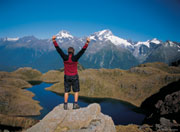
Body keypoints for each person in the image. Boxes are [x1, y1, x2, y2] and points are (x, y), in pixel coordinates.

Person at [52, 35, 90, 110]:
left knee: (66, 91)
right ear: (73, 52)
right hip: (74, 76)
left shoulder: (64, 57)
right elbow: (82, 51)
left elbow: (58, 49)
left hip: (66, 76)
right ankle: (75, 104)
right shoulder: (75, 58)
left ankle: (65, 105)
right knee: (76, 91)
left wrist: (54, 41)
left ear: (68, 52)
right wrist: (87, 43)